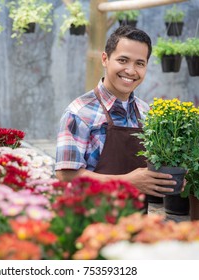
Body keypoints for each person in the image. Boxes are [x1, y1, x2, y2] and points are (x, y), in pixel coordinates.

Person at [55, 25, 178, 205]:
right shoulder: (79, 112)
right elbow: (66, 175)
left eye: (139, 63)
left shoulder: (146, 112)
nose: (130, 70)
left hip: (136, 222)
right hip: (91, 221)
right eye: (123, 60)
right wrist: (127, 182)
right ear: (105, 59)